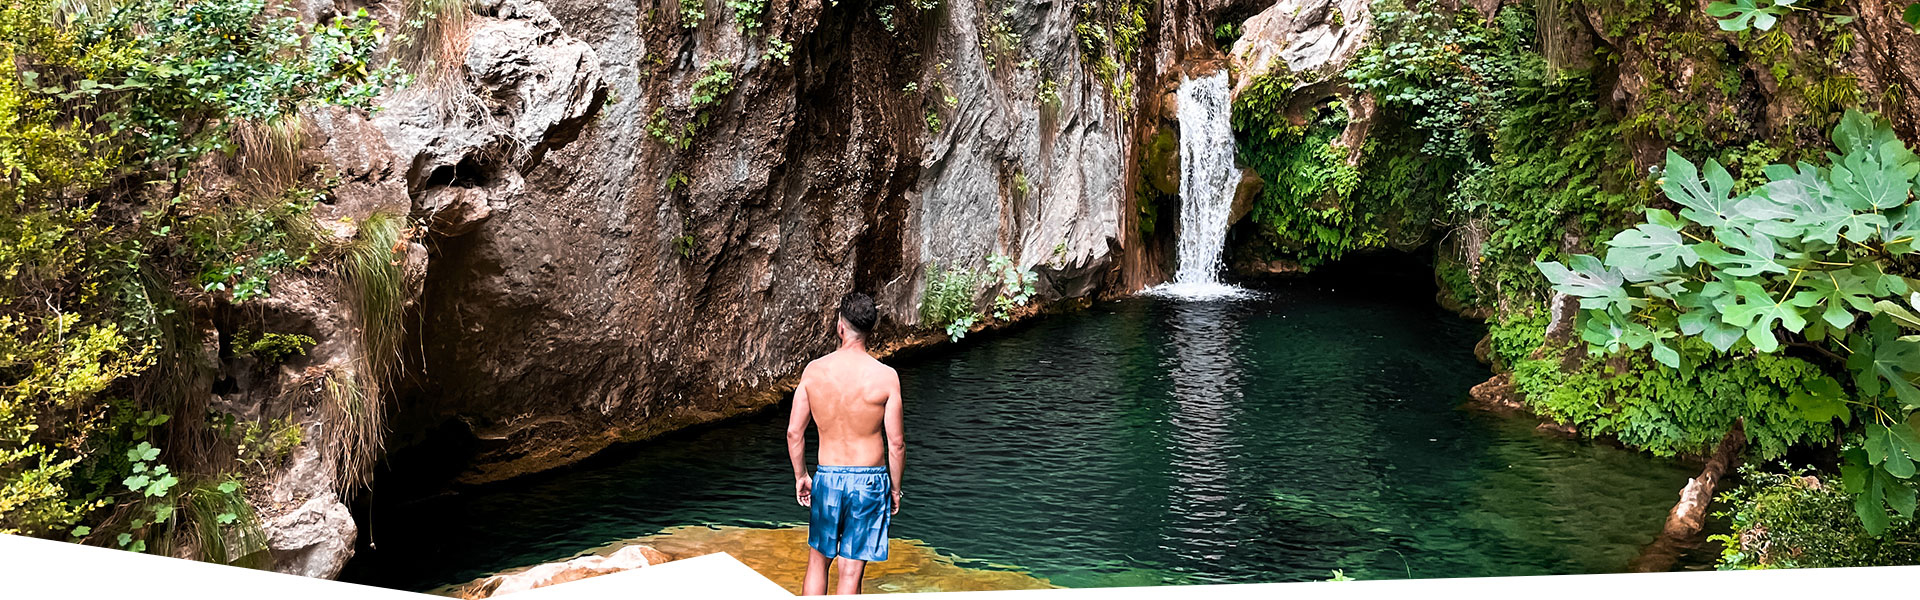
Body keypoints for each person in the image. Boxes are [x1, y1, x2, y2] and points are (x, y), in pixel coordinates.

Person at [787, 292, 905, 595]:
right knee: (850, 570)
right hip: (869, 482)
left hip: (828, 477)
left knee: (818, 562)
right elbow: (896, 444)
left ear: (841, 327)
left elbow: (794, 433)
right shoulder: (886, 377)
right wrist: (894, 488)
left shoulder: (814, 372)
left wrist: (802, 476)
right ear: (870, 330)